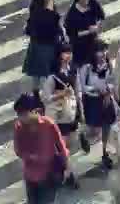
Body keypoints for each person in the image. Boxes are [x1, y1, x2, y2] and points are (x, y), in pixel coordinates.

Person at [12, 92, 69, 204]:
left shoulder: (48, 124)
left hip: (49, 175)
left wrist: (67, 167)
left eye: (23, 114)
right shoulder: (19, 127)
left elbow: (61, 147)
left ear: (33, 111)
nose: (21, 118)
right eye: (19, 115)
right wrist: (31, 157)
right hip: (30, 176)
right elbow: (18, 150)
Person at [40, 43, 80, 188]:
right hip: (58, 117)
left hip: (71, 113)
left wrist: (80, 111)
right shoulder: (52, 76)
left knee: (70, 145)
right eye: (65, 53)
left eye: (69, 52)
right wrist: (61, 95)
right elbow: (45, 98)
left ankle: (64, 171)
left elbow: (78, 91)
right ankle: (69, 174)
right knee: (62, 147)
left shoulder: (73, 71)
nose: (68, 55)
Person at [77, 40, 116, 169]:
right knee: (93, 127)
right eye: (100, 51)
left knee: (107, 124)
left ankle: (104, 152)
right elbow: (83, 86)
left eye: (105, 50)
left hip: (106, 98)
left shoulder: (109, 64)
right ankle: (84, 136)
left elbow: (113, 80)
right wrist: (97, 90)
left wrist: (107, 91)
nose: (103, 53)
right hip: (92, 100)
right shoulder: (86, 68)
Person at [22, 0, 62, 94]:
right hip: (44, 45)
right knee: (43, 74)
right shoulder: (41, 10)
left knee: (39, 74)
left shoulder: (44, 7)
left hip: (41, 44)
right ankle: (40, 96)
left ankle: (38, 94)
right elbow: (51, 21)